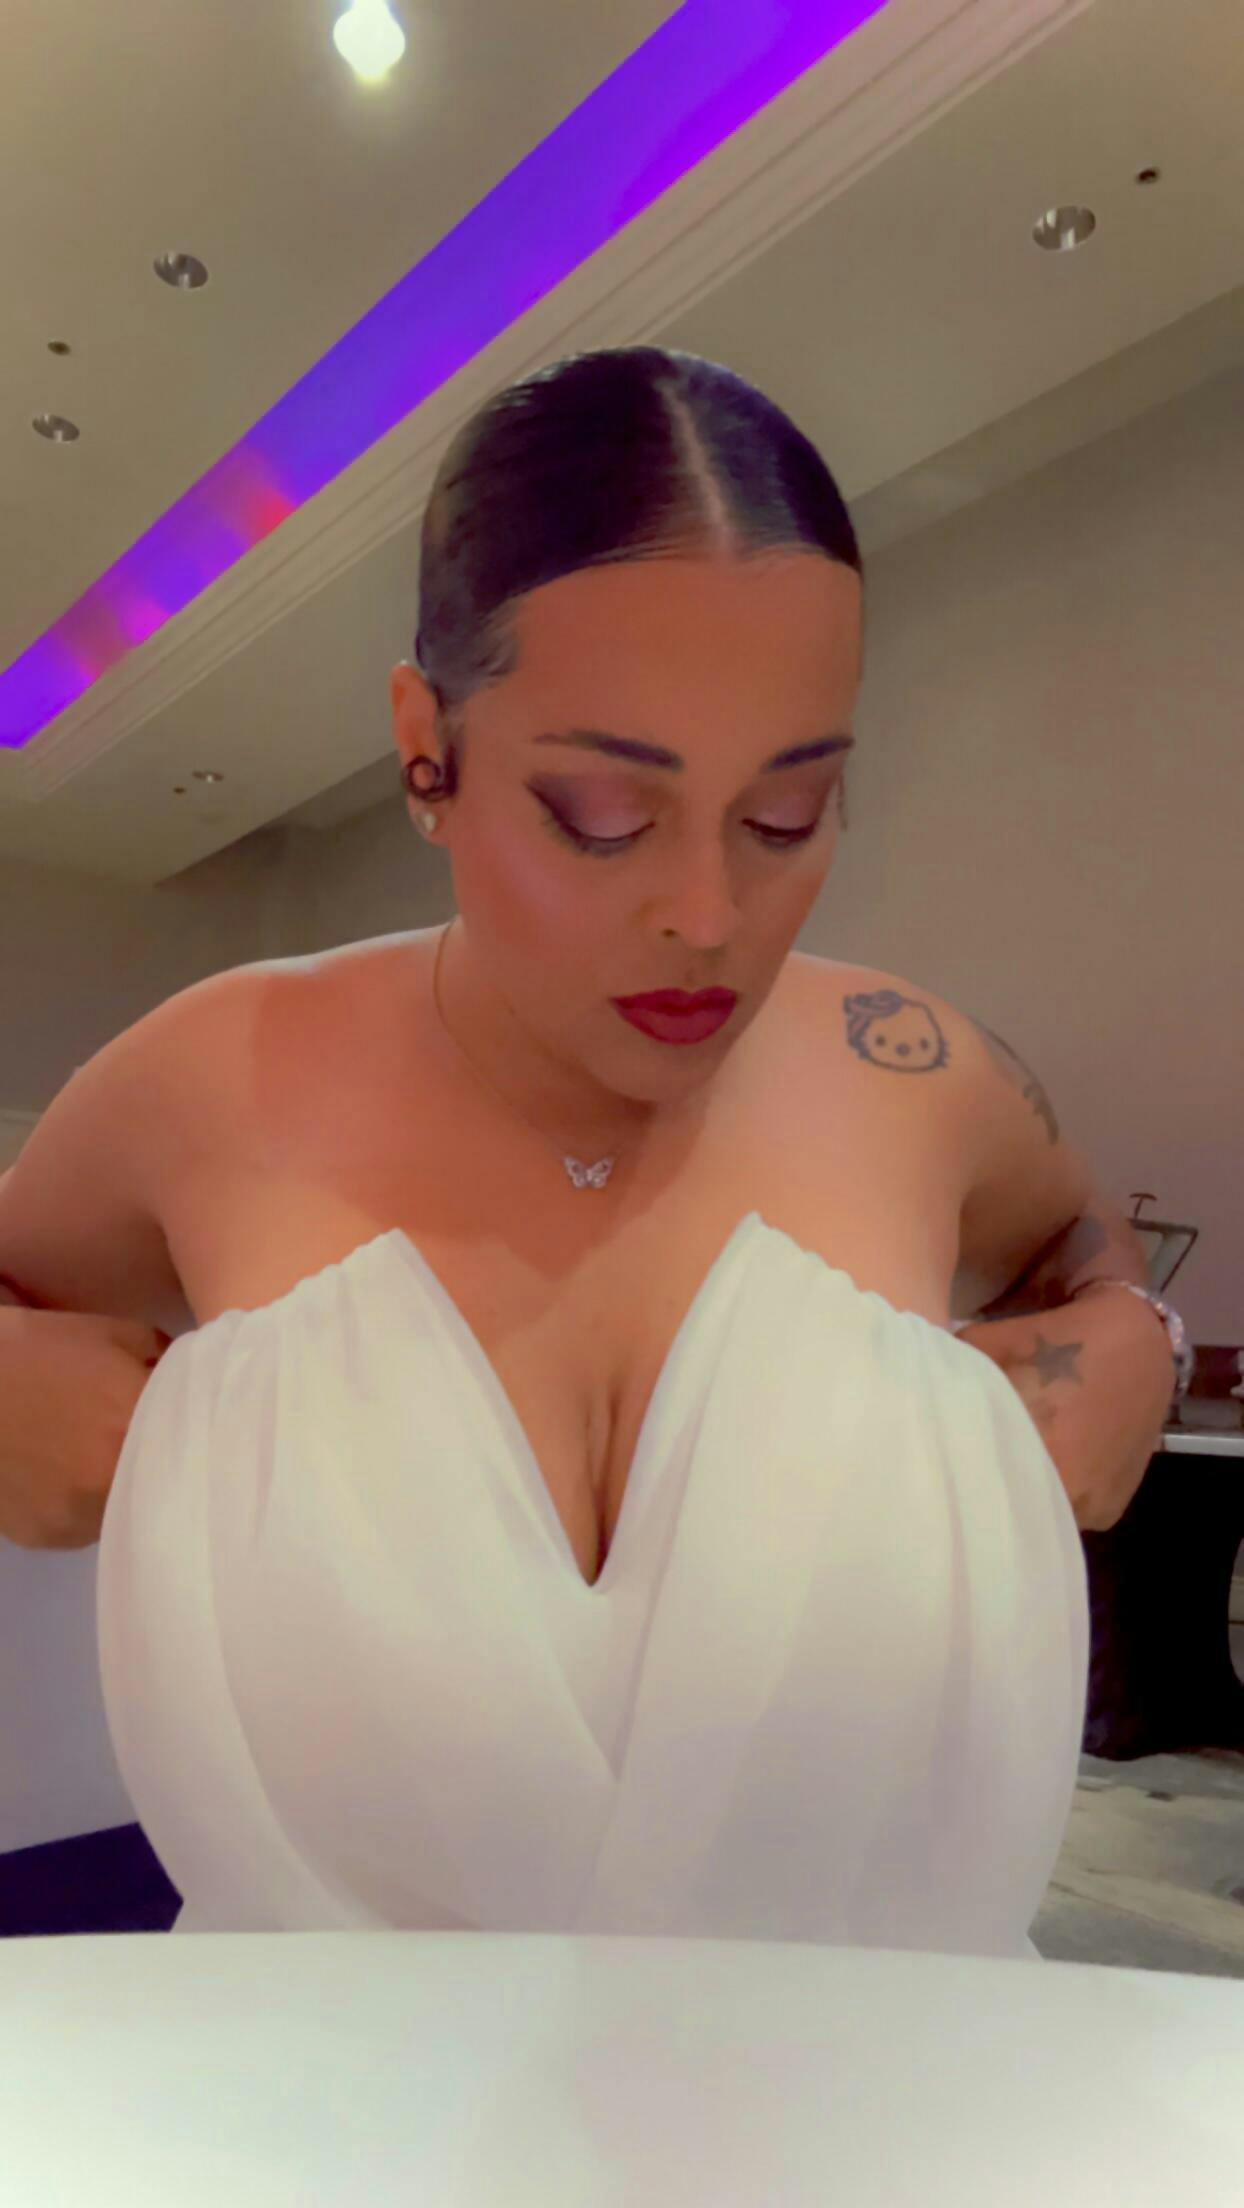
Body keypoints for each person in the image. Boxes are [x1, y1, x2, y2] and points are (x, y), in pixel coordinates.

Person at [86, 349, 1090, 1948]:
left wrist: (1124, 1339)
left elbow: (1086, 1252)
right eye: (602, 817)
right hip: (320, 2089)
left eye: (787, 818)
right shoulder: (211, 1076)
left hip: (902, 2087)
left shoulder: (912, 1068)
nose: (707, 913)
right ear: (426, 748)